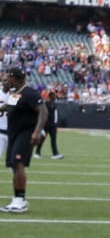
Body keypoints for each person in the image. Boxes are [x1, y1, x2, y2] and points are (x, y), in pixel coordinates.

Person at [0, 67, 48, 213]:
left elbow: (43, 111)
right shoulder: (16, 94)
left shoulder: (29, 93)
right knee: (14, 165)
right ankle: (17, 200)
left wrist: (37, 131)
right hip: (14, 134)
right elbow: (7, 108)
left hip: (25, 133)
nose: (6, 80)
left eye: (8, 77)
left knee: (18, 163)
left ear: (15, 78)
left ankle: (20, 200)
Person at [34, 91, 63, 159]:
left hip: (53, 126)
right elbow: (43, 114)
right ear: (50, 96)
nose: (55, 97)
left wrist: (55, 124)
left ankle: (55, 154)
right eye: (54, 96)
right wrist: (42, 126)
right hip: (46, 125)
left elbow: (55, 116)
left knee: (53, 140)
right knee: (42, 139)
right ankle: (37, 152)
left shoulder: (54, 104)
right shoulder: (46, 104)